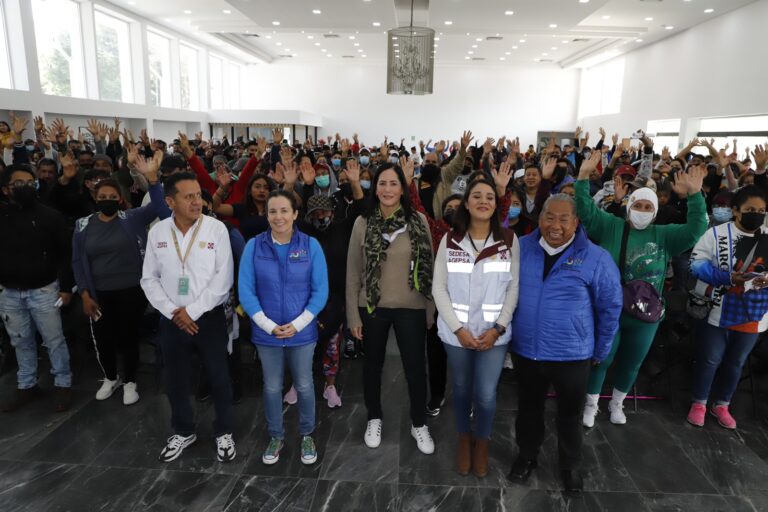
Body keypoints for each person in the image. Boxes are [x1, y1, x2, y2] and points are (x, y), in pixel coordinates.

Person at [575, 150, 708, 427]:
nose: (642, 212)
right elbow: (586, 211)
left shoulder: (665, 235)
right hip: (608, 308)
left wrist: (695, 195)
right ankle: (590, 405)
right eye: (638, 206)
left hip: (645, 314)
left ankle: (617, 404)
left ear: (655, 211)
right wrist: (583, 178)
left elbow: (696, 229)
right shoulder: (611, 226)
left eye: (648, 208)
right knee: (603, 358)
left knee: (632, 362)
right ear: (628, 206)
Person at [508, 193, 623, 496]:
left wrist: (601, 349)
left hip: (571, 353)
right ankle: (527, 456)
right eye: (549, 217)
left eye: (563, 219)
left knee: (570, 415)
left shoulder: (596, 258)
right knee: (528, 409)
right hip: (527, 350)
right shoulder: (521, 248)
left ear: (576, 222)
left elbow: (610, 307)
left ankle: (570, 466)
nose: (555, 225)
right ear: (540, 217)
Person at [140, 172, 236, 463]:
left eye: (198, 195)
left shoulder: (216, 229)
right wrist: (173, 312)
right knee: (176, 379)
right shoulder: (158, 232)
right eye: (189, 196)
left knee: (219, 377)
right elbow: (149, 279)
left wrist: (191, 312)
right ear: (170, 201)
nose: (197, 201)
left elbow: (224, 279)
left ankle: (224, 431)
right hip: (171, 319)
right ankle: (183, 430)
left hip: (208, 317)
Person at [346, 160, 436, 454]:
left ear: (402, 188)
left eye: (393, 183)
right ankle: (374, 417)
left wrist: (429, 310)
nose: (387, 189)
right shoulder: (363, 223)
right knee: (372, 366)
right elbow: (353, 272)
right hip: (372, 307)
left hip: (411, 306)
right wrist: (352, 315)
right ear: (375, 187)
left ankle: (419, 423)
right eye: (381, 183)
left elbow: (429, 268)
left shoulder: (418, 221)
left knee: (414, 368)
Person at [432, 178, 520, 477]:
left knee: (484, 393)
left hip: (493, 335)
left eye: (490, 197)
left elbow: (513, 289)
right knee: (460, 388)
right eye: (477, 196)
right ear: (466, 203)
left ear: (496, 205)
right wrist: (458, 329)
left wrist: (498, 328)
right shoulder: (450, 240)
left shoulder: (509, 240)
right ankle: (463, 439)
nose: (483, 201)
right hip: (456, 335)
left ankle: (482, 442)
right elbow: (439, 288)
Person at [239, 190, 329, 465]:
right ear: (266, 215)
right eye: (272, 212)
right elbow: (245, 291)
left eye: (283, 211)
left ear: (295, 214)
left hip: (302, 332)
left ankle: (307, 433)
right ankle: (276, 435)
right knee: (272, 386)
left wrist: (298, 323)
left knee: (304, 385)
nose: (278, 217)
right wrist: (268, 326)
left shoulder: (311, 245)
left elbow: (320, 291)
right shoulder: (254, 246)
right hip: (267, 334)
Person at [71, 152, 167, 404]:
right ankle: (111, 377)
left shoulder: (132, 218)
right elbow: (78, 262)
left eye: (112, 197)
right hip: (98, 293)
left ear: (121, 199)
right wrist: (84, 294)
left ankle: (130, 381)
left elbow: (159, 207)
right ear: (94, 198)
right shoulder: (82, 226)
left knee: (128, 336)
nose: (107, 200)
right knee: (103, 338)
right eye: (102, 197)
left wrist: (153, 180)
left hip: (131, 291)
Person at [687, 185, 768, 429]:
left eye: (762, 210)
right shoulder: (716, 234)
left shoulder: (766, 236)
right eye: (750, 209)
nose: (757, 214)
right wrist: (728, 277)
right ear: (736, 210)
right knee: (711, 359)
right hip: (719, 307)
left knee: (736, 362)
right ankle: (699, 403)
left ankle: (722, 404)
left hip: (754, 312)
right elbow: (695, 264)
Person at [0, 164, 75, 413]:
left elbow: (65, 255)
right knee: (20, 341)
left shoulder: (50, 216)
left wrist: (65, 288)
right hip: (9, 291)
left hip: (44, 290)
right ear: (5, 189)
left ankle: (63, 383)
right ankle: (27, 385)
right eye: (19, 183)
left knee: (54, 340)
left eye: (30, 182)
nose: (26, 187)